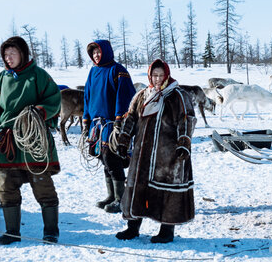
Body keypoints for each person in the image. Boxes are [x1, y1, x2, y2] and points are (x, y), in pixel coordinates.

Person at [0, 36, 63, 245]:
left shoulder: (39, 76)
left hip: (34, 140)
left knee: (43, 186)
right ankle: (12, 232)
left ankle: (51, 231)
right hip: (8, 142)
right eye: (5, 55)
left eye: (12, 53)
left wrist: (38, 111)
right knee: (6, 186)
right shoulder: (0, 80)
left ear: (23, 53)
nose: (8, 58)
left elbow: (54, 100)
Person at [111, 58, 195, 243]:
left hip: (168, 155)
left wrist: (183, 143)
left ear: (167, 75)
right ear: (149, 75)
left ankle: (166, 231)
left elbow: (186, 120)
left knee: (166, 191)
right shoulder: (142, 95)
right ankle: (132, 228)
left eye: (161, 75)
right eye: (154, 75)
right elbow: (130, 118)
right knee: (136, 188)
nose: (157, 79)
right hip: (142, 154)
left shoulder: (177, 95)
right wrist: (123, 140)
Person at [82, 40, 137, 213]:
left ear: (106, 51)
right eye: (94, 53)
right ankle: (112, 195)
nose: (96, 55)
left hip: (112, 124)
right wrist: (86, 120)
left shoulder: (118, 71)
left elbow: (125, 97)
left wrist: (120, 121)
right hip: (96, 125)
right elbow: (87, 96)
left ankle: (121, 199)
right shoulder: (93, 71)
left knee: (111, 158)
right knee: (103, 158)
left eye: (98, 52)